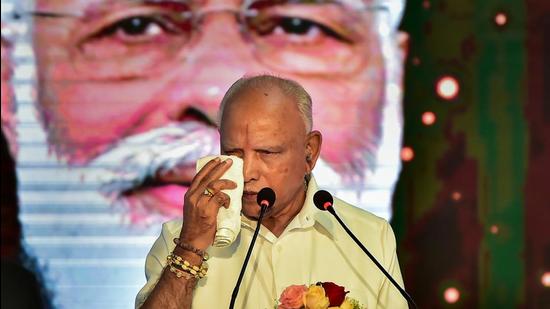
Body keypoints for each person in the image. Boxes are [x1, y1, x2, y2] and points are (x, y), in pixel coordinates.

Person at [19, 0, 407, 220]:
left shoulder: (370, 244)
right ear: (8, 86)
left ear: (394, 83)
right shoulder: (177, 243)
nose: (217, 99)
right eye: (136, 26)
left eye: (296, 26)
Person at [136, 75, 407, 308]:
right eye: (233, 153)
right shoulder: (180, 239)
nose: (246, 172)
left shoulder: (369, 237)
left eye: (267, 152)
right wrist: (190, 249)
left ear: (309, 153)